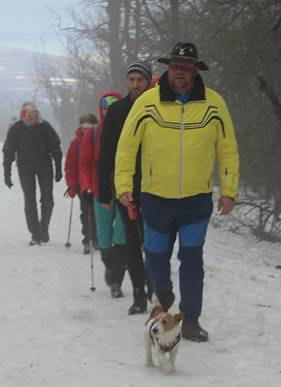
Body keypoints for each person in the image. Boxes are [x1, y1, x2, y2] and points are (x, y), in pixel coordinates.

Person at [115, 43, 239, 341]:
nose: (179, 72)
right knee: (155, 256)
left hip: (196, 198)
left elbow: (228, 149)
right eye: (174, 66)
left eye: (185, 67)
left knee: (192, 257)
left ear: (196, 69)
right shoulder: (147, 102)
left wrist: (229, 189)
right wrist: (123, 185)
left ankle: (191, 318)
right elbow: (127, 147)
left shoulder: (214, 104)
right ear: (167, 68)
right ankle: (164, 297)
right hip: (156, 197)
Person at [97, 62, 154, 315]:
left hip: (156, 185)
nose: (135, 85)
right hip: (126, 186)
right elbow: (106, 151)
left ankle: (155, 284)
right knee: (132, 240)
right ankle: (139, 294)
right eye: (131, 80)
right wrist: (104, 190)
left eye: (140, 80)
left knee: (154, 241)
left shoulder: (158, 106)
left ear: (148, 81)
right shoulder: (118, 110)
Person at [80, 91, 129, 299]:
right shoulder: (93, 134)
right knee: (104, 238)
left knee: (122, 236)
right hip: (101, 192)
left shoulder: (130, 129)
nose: (109, 110)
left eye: (113, 106)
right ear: (101, 109)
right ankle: (110, 267)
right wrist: (86, 187)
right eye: (105, 107)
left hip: (124, 192)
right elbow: (83, 165)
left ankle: (116, 280)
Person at [2, 102, 63, 245]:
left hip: (44, 166)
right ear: (22, 114)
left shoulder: (45, 127)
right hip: (25, 166)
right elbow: (8, 150)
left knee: (47, 199)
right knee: (30, 201)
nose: (30, 117)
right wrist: (7, 173)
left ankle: (44, 228)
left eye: (33, 114)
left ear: (37, 114)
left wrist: (59, 168)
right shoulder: (16, 128)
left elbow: (56, 148)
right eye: (27, 114)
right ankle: (35, 234)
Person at [64, 113, 98, 254]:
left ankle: (98, 238)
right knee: (86, 211)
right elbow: (70, 165)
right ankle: (88, 239)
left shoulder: (100, 140)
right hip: (81, 184)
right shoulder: (76, 143)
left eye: (90, 127)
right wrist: (71, 184)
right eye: (84, 127)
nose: (87, 130)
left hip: (99, 181)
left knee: (98, 211)